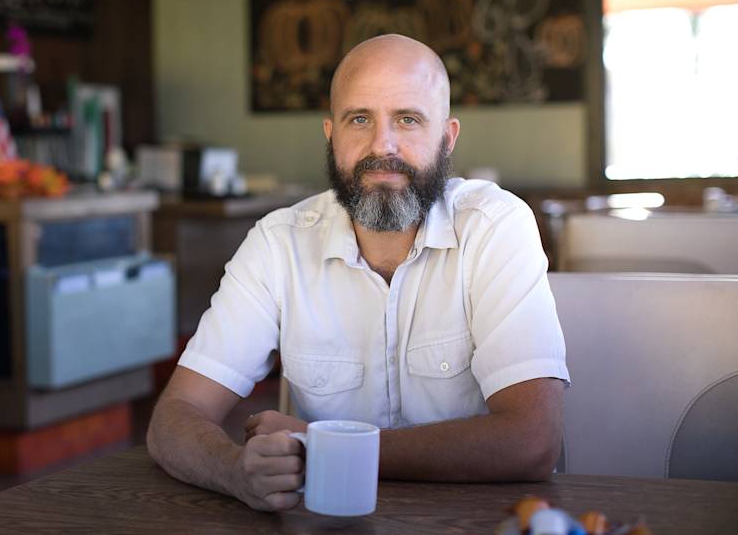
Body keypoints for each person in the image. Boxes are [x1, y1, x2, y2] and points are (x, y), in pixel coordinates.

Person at [146, 34, 570, 512]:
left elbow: (532, 440)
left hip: (478, 522)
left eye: (407, 120)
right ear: (331, 133)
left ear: (447, 139)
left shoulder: (495, 226)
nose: (381, 145)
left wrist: (323, 445)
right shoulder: (278, 244)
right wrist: (234, 470)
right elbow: (174, 417)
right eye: (359, 119)